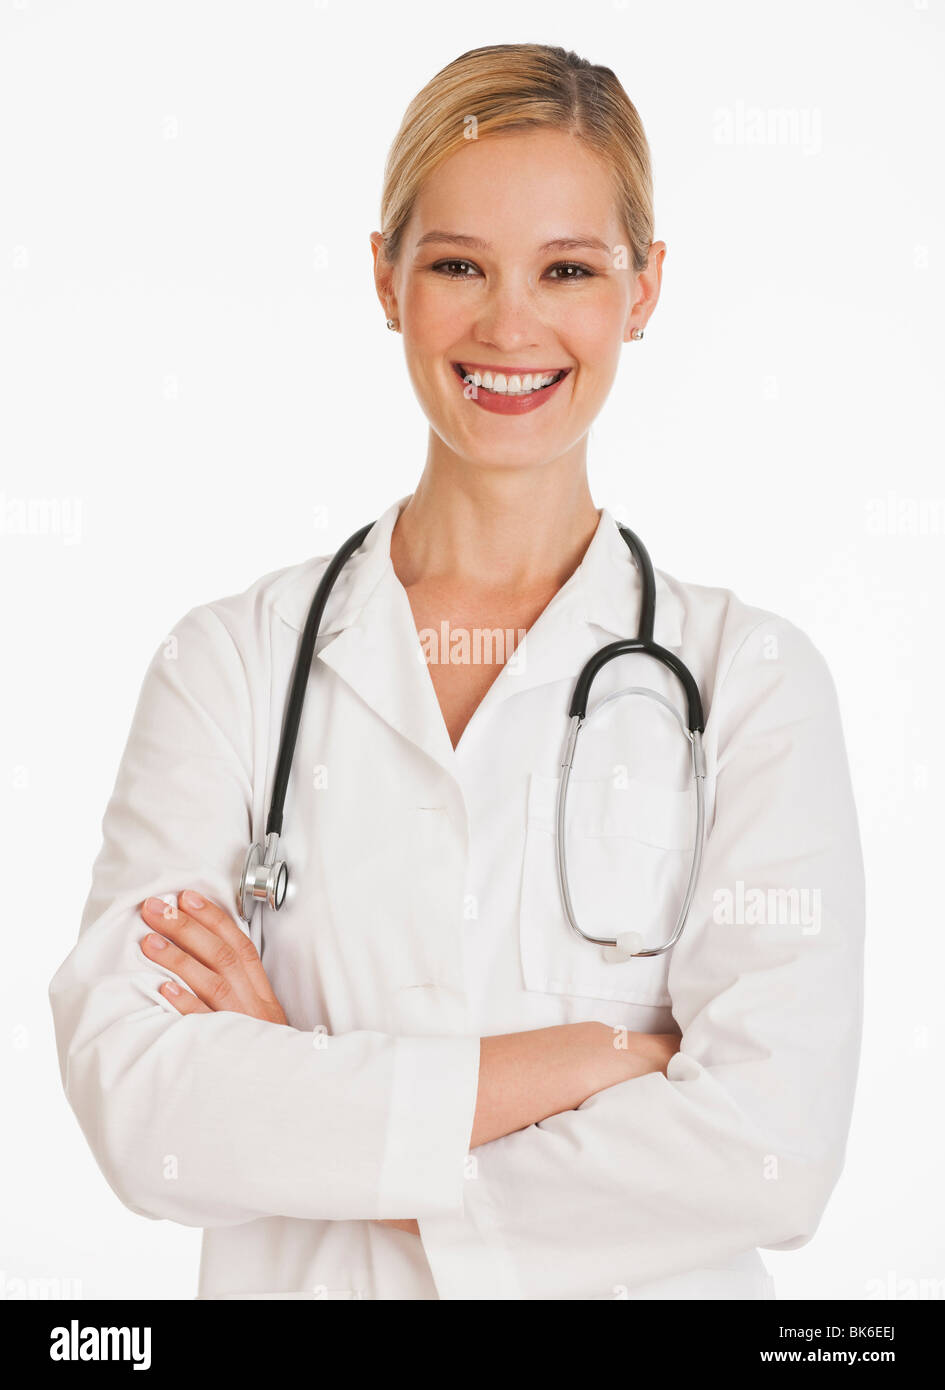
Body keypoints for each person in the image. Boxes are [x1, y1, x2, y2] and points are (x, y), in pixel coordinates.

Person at [49, 43, 864, 1301]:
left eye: (571, 269)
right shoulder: (230, 668)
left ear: (645, 289)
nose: (510, 325)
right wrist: (602, 1054)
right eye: (457, 265)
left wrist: (314, 1103)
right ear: (385, 275)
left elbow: (768, 1147)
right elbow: (143, 1104)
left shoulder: (748, 686)